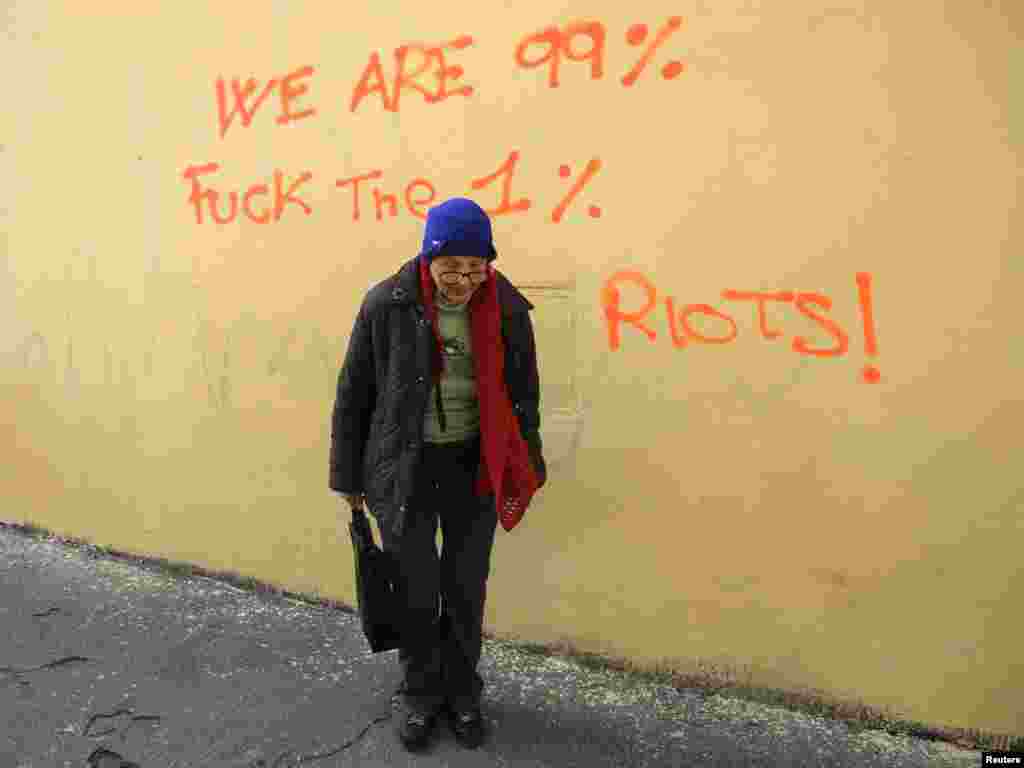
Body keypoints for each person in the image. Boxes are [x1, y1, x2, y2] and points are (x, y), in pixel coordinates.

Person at [329, 197, 547, 752]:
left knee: (466, 585)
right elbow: (354, 395)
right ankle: (420, 691)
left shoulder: (507, 308)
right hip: (406, 466)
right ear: (428, 258)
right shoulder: (387, 305)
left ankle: (463, 691)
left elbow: (525, 396)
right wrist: (348, 478)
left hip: (475, 465)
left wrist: (530, 461)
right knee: (417, 589)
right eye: (451, 267)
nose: (463, 280)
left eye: (476, 268)